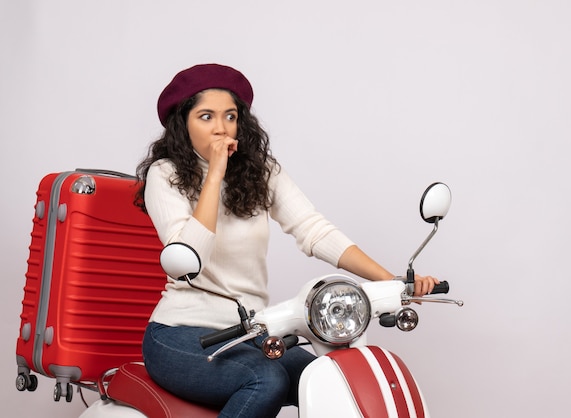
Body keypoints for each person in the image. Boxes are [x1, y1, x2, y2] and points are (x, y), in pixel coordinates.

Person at [135, 63, 438, 418]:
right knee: (265, 381)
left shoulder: (261, 172)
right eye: (206, 117)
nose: (221, 128)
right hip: (179, 335)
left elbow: (313, 229)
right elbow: (190, 255)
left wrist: (391, 281)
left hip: (250, 332)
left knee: (331, 377)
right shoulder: (165, 174)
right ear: (183, 124)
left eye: (230, 116)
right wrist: (214, 174)